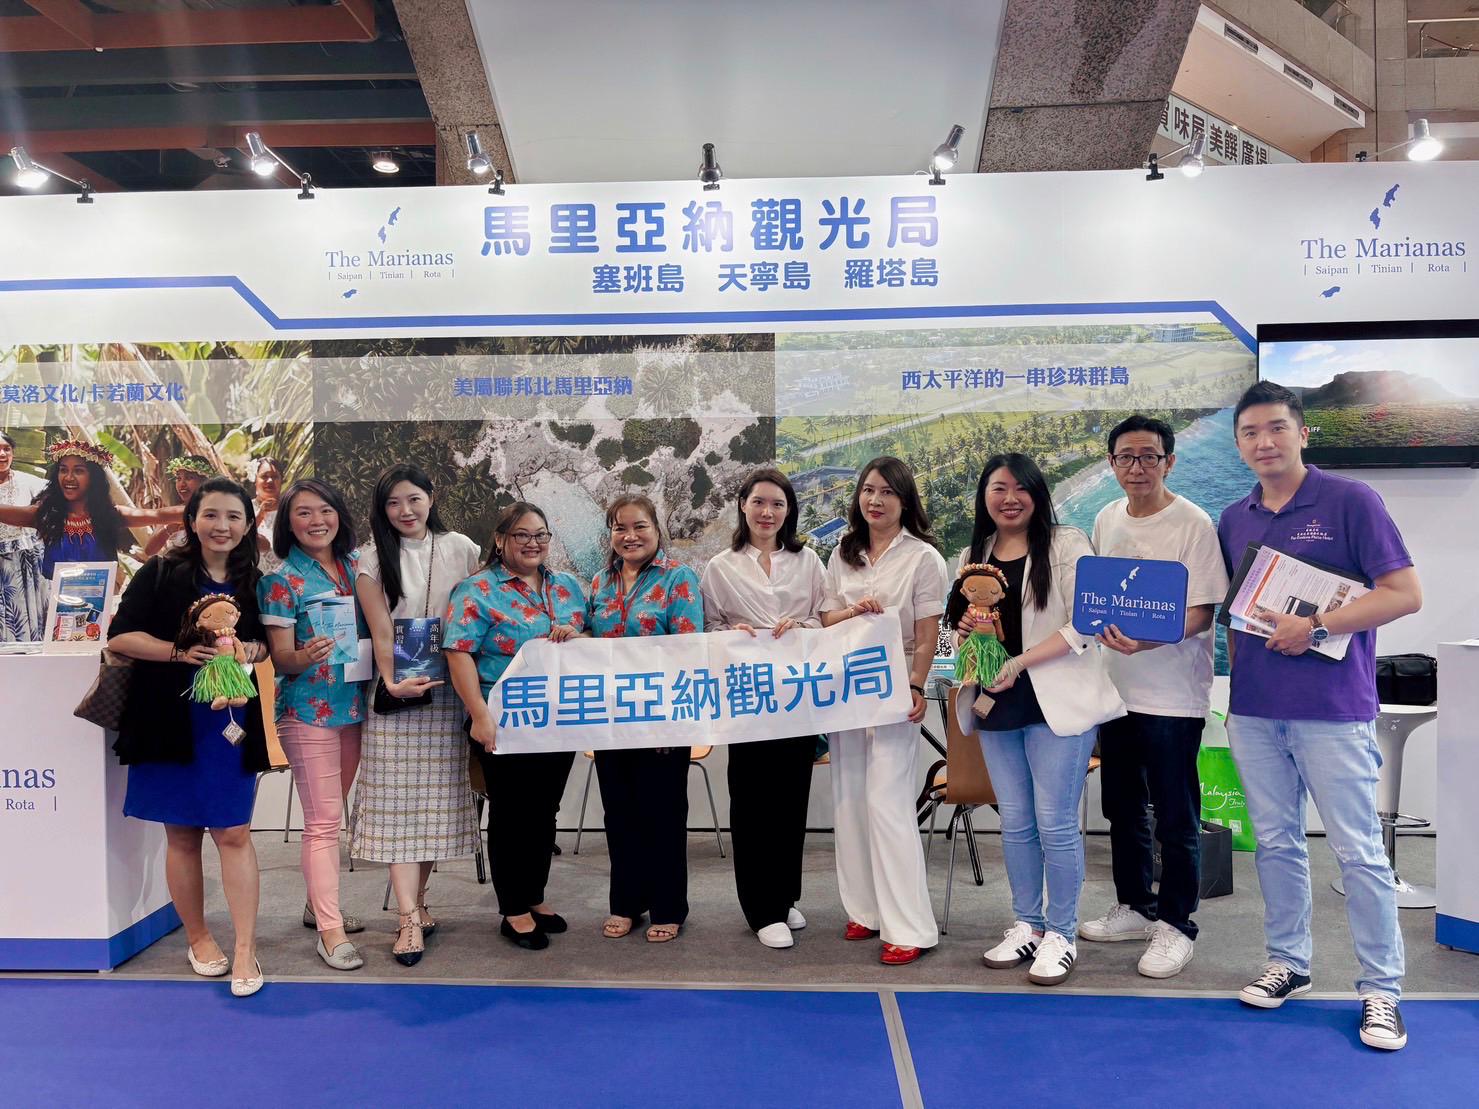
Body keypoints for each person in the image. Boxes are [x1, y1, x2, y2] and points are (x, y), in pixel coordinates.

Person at [1217, 381, 1421, 1051]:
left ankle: (1381, 988)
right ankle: (1289, 961)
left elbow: (1403, 593)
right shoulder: (1234, 516)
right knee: (1274, 843)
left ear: (1302, 432)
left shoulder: (1350, 500)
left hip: (1333, 710)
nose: (1263, 441)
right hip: (1252, 708)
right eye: (1249, 432)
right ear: (1240, 442)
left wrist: (1316, 624)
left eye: (1275, 427)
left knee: (1357, 851)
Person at [958, 453, 1125, 986]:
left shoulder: (1066, 543)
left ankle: (1061, 933)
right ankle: (1027, 923)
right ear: (984, 496)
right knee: (1016, 823)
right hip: (995, 704)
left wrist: (1018, 663)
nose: (1009, 498)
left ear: (1036, 493)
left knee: (1055, 824)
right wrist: (965, 636)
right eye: (997, 488)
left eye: (1019, 488)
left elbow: (1086, 623)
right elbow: (958, 627)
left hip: (1057, 703)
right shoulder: (970, 554)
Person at [107, 477, 271, 998]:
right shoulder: (161, 573)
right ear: (193, 520)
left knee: (234, 832)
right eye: (212, 515)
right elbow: (122, 635)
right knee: (181, 834)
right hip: (167, 721)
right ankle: (199, 938)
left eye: (234, 517)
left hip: (229, 725)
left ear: (248, 525)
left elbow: (266, 644)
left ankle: (245, 947)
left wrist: (250, 652)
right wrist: (178, 653)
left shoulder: (256, 580)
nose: (222, 526)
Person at [1080, 415, 1229, 979]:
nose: (1136, 467)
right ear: (1111, 464)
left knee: (1175, 814)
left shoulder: (1192, 523)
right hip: (1115, 693)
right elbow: (1094, 595)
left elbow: (1203, 611)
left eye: (1148, 456)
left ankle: (1176, 925)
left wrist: (1149, 637)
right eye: (1125, 457)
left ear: (1169, 460)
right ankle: (1136, 906)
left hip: (1173, 697)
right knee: (1121, 808)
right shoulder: (1104, 516)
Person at [352, 464, 482, 965]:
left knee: (432, 805)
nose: (405, 511)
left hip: (448, 693)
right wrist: (390, 683)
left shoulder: (462, 548)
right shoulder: (370, 557)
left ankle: (420, 902)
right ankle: (407, 920)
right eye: (393, 503)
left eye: (413, 499)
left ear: (431, 497)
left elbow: (475, 613)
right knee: (396, 806)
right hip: (396, 692)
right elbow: (382, 629)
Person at [445, 501, 586, 951]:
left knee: (546, 809)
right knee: (512, 813)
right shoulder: (476, 590)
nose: (533, 543)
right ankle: (513, 909)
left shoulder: (567, 587)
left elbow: (591, 644)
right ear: (501, 540)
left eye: (540, 535)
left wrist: (577, 637)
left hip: (560, 718)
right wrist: (480, 715)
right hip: (504, 718)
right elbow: (459, 652)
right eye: (522, 535)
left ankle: (536, 895)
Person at [819, 457, 943, 966]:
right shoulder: (842, 553)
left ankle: (909, 925)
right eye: (868, 490)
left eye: (887, 492)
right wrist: (854, 611)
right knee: (850, 799)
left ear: (905, 500)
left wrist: (915, 685)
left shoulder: (924, 558)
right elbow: (826, 617)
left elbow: (928, 633)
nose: (875, 500)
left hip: (894, 691)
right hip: (845, 692)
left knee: (888, 804)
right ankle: (866, 911)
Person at [700, 468, 824, 950]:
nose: (767, 512)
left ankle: (785, 895)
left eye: (777, 503)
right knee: (752, 802)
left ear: (788, 510)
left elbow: (823, 619)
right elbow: (707, 629)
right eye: (759, 502)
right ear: (742, 505)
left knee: (791, 800)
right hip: (748, 699)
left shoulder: (809, 560)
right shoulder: (721, 565)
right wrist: (733, 635)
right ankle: (760, 908)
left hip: (796, 698)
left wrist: (804, 625)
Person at [257, 478, 370, 971]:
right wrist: (304, 655)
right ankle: (330, 930)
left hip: (354, 709)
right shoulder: (280, 580)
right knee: (325, 823)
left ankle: (314, 906)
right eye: (303, 513)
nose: (317, 521)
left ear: (340, 515)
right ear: (288, 522)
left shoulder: (355, 568)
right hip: (308, 714)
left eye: (325, 510)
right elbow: (280, 660)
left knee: (333, 814)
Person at [586, 493, 703, 944]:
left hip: (662, 719)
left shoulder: (679, 578)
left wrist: (670, 717)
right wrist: (571, 636)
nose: (629, 536)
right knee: (619, 815)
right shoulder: (599, 581)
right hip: (611, 720)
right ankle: (626, 904)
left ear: (657, 529)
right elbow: (592, 645)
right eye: (619, 527)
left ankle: (669, 906)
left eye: (639, 526)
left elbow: (689, 649)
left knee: (663, 815)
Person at [0, 439, 183, 581]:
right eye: (63, 470)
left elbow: (158, 515)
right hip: (55, 608)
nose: (68, 477)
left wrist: (203, 508)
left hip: (98, 608)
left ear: (93, 478)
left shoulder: (110, 515)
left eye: (78, 471)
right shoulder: (45, 515)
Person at [0, 430, 47, 642]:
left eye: (6, 449)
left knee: (30, 614)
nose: (2, 454)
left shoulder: (32, 482)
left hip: (28, 559)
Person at [144, 455, 219, 558]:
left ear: (205, 481)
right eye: (178, 478)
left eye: (189, 478)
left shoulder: (218, 511)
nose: (182, 484)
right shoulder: (172, 513)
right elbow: (149, 551)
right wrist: (169, 528)